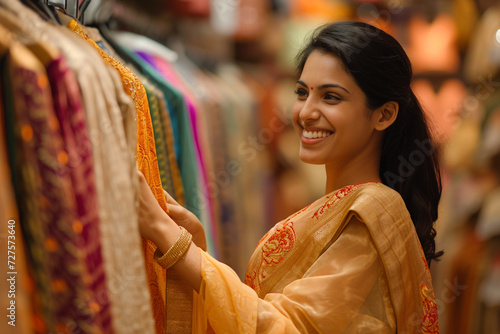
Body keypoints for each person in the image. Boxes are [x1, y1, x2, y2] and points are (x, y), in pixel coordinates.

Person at [137, 21, 442, 333]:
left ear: (384, 114)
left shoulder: (370, 213)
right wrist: (195, 246)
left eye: (331, 97)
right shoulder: (342, 207)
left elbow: (286, 328)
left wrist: (168, 237)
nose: (305, 112)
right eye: (302, 92)